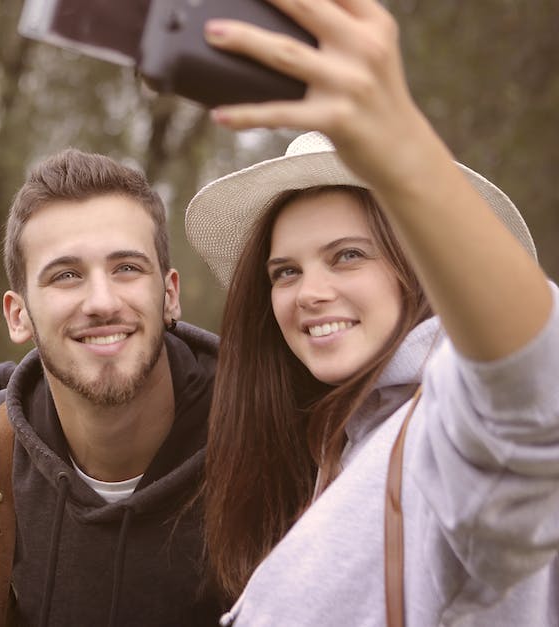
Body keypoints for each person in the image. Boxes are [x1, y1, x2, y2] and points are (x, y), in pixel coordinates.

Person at [185, 0, 558, 624]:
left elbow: (534, 395)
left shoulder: (455, 436)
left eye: (348, 256)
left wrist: (403, 149)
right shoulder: (332, 455)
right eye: (286, 271)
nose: (310, 292)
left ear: (418, 269)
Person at [0, 148, 224, 625]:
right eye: (66, 275)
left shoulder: (270, 439)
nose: (102, 302)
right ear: (18, 314)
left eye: (126, 268)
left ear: (170, 293)